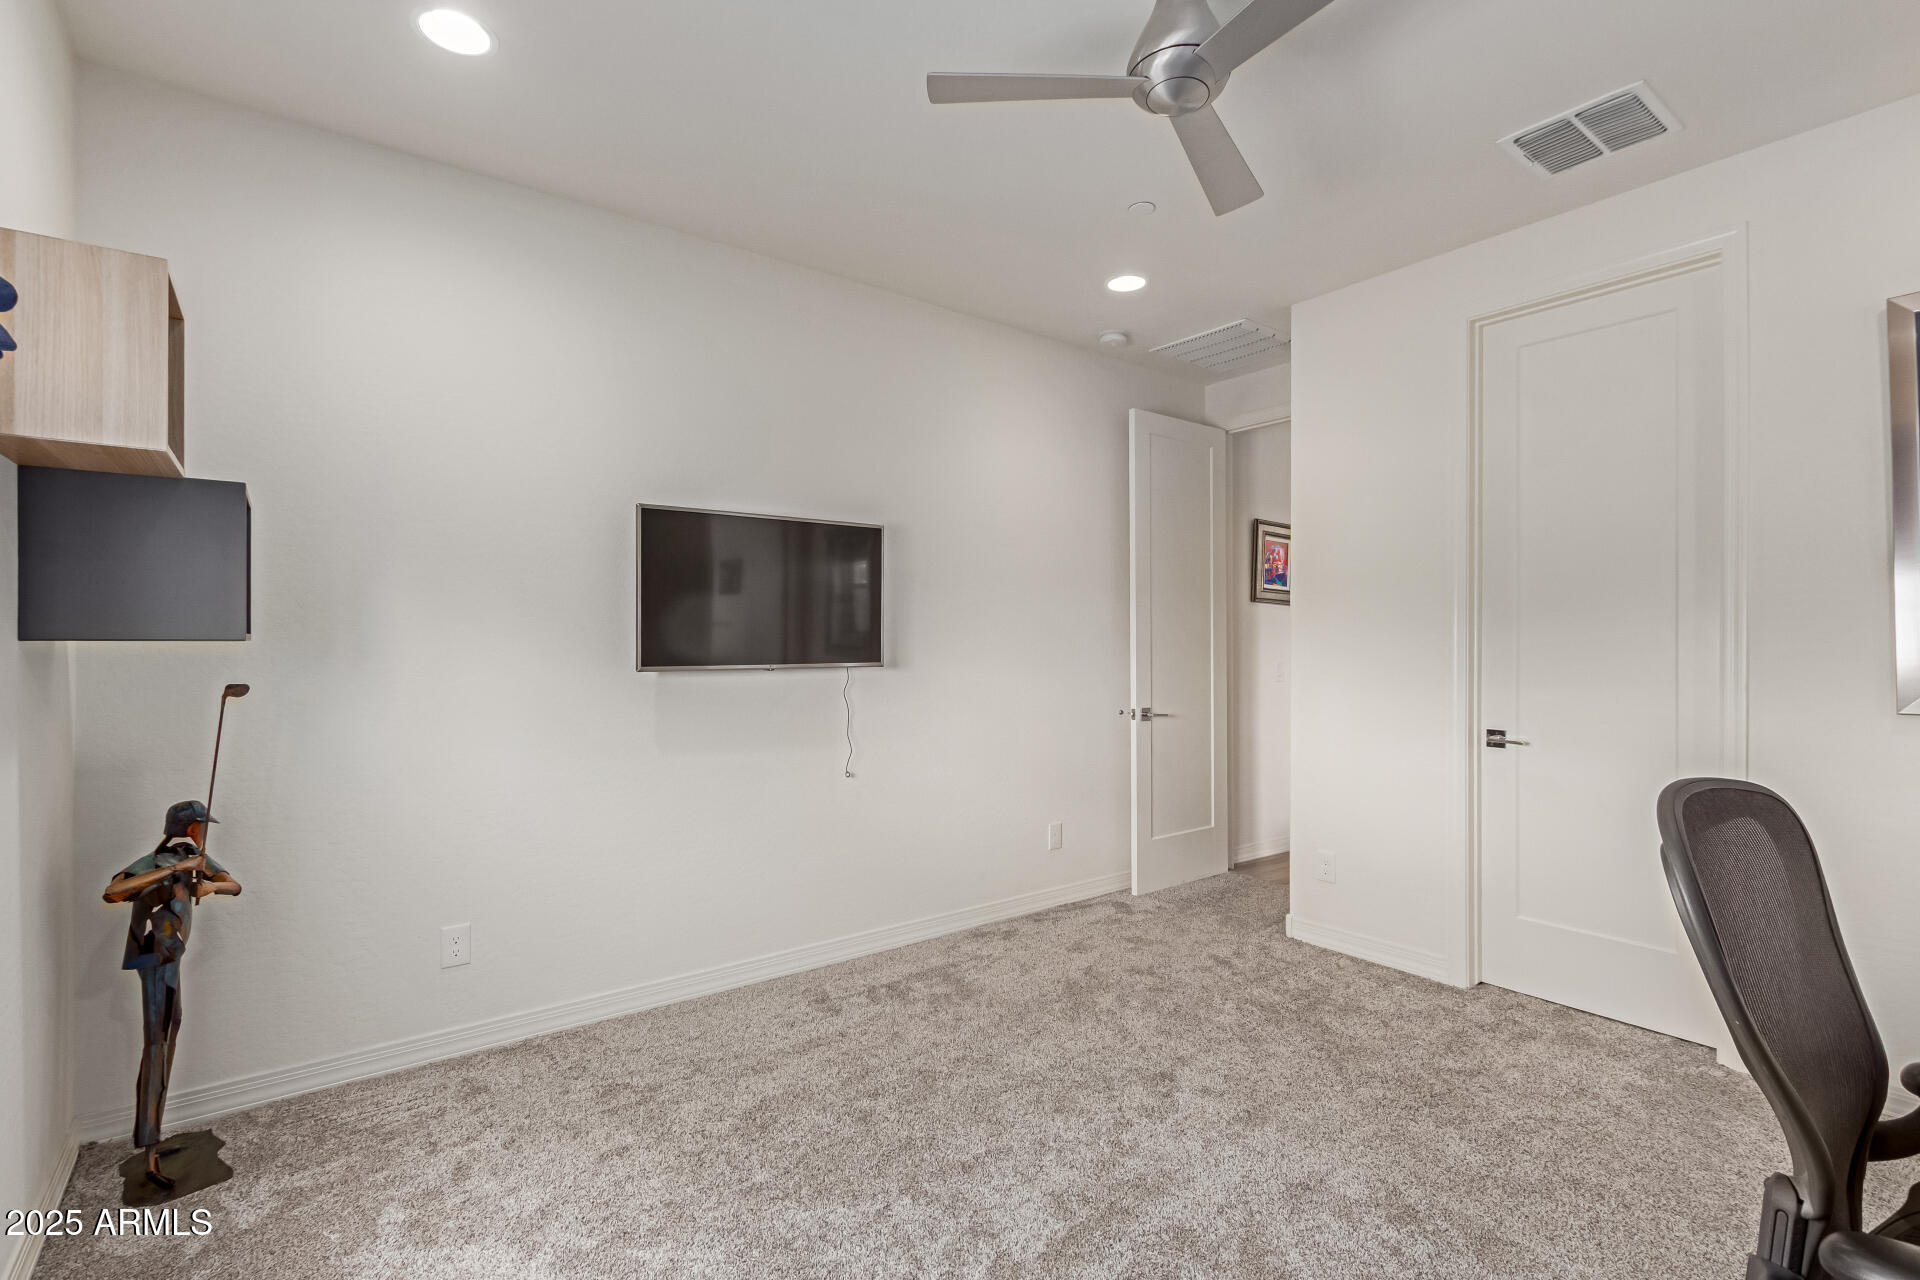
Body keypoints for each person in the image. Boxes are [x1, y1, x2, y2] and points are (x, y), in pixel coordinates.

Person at [102, 799, 242, 1188]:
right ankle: (148, 1148)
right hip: (153, 957)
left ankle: (154, 1140)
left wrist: (209, 884)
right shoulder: (155, 861)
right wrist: (175, 870)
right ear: (183, 826)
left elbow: (235, 885)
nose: (203, 830)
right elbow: (113, 892)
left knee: (169, 1034)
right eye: (198, 824)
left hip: (172, 958)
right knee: (155, 1046)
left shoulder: (196, 856)